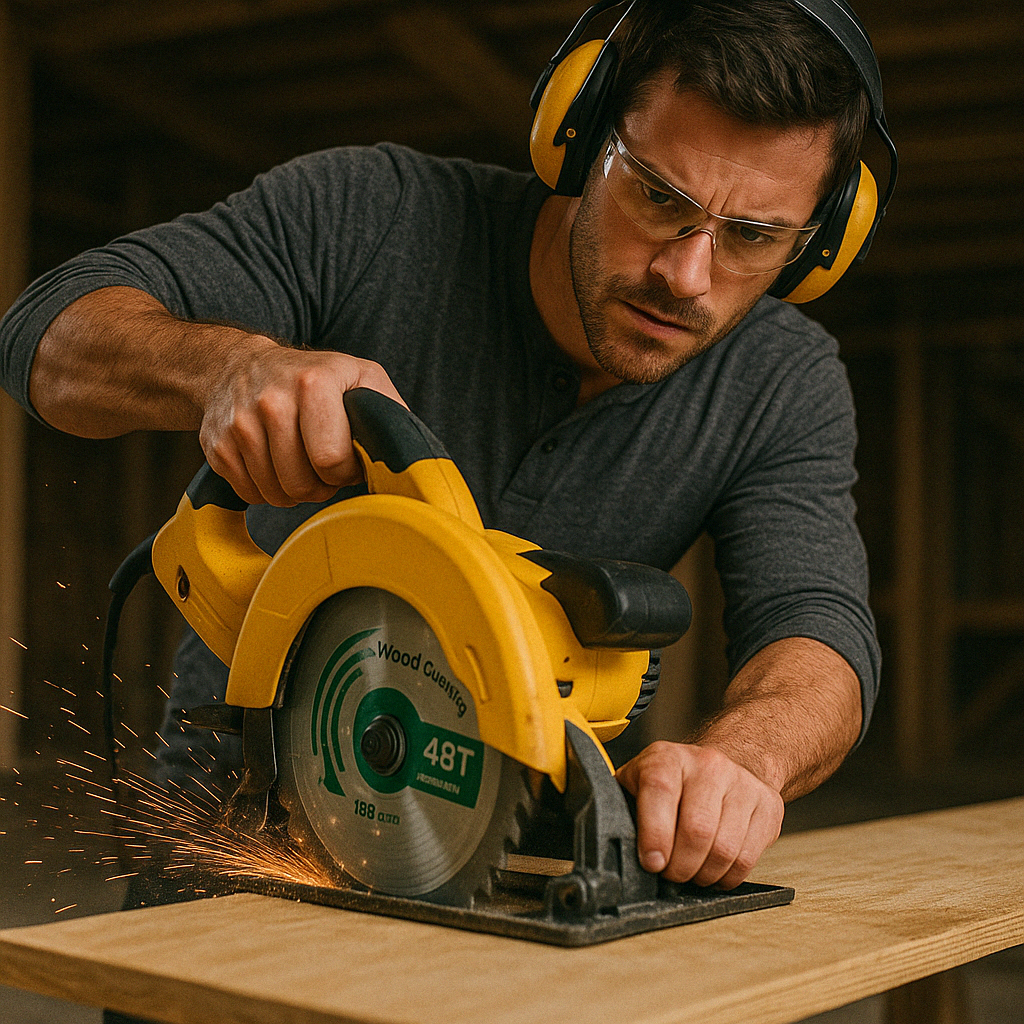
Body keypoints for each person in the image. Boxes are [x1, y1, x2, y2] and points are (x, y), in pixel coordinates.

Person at [0, 0, 891, 897]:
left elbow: (817, 629)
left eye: (752, 237)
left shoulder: (786, 380)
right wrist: (231, 366)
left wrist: (740, 763)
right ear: (578, 138)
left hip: (517, 850)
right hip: (245, 810)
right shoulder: (369, 214)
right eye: (659, 196)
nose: (686, 274)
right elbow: (45, 332)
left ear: (820, 244)